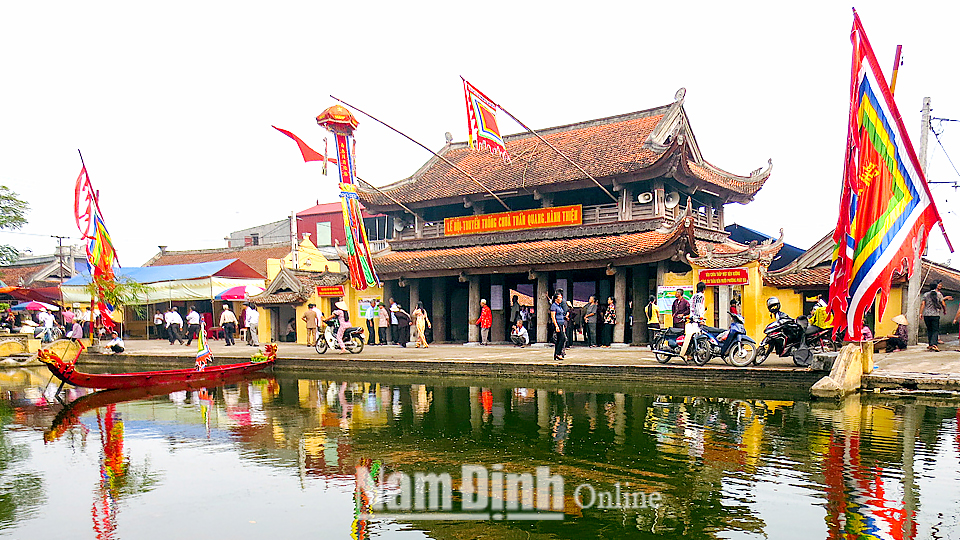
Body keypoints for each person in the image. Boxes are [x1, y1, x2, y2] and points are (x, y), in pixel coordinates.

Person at [920, 280, 952, 352]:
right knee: (935, 330)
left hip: (927, 315)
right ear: (936, 286)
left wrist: (921, 313)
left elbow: (923, 304)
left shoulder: (926, 294)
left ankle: (930, 345)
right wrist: (944, 310)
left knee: (929, 330)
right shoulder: (939, 294)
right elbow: (943, 304)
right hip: (935, 315)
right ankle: (934, 344)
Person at [550, 292, 567, 361]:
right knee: (562, 338)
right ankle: (558, 353)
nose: (561, 299)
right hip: (557, 324)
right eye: (560, 297)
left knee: (560, 339)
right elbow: (553, 317)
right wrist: (556, 326)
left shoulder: (559, 306)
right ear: (556, 298)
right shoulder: (554, 306)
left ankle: (556, 353)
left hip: (561, 323)